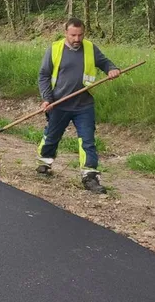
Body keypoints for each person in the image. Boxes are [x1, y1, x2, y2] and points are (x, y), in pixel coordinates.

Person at [36, 18, 120, 194]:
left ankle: (89, 176)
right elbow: (44, 75)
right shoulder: (55, 49)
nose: (77, 39)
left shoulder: (90, 48)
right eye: (73, 35)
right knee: (51, 135)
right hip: (59, 103)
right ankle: (44, 163)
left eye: (80, 35)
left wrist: (112, 69)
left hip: (84, 105)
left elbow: (105, 62)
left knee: (87, 140)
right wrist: (47, 99)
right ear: (65, 33)